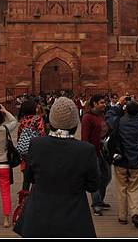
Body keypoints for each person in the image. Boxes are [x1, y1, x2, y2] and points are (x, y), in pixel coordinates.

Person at [14, 97, 100, 237]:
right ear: (74, 123)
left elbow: (29, 177)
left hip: (39, 214)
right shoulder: (86, 150)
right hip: (73, 216)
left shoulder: (36, 144)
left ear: (52, 120)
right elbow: (93, 185)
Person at [106, 98, 138, 229]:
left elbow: (109, 115)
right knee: (134, 189)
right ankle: (135, 213)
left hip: (121, 161)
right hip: (135, 161)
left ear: (126, 110)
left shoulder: (120, 122)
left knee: (121, 189)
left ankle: (122, 216)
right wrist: (134, 103)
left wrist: (119, 103)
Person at [81, 94, 111, 216]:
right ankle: (96, 203)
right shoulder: (87, 118)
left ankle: (100, 199)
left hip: (104, 151)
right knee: (97, 177)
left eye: (104, 102)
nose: (104, 104)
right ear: (94, 104)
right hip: (93, 152)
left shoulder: (102, 115)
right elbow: (84, 138)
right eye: (102, 103)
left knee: (106, 177)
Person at [17, 99, 46, 191]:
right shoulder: (38, 119)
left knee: (26, 178)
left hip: (25, 152)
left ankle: (23, 201)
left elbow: (19, 136)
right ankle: (35, 199)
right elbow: (42, 134)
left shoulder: (23, 120)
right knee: (36, 178)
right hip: (36, 151)